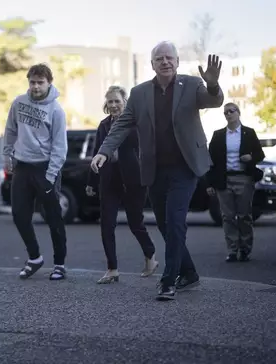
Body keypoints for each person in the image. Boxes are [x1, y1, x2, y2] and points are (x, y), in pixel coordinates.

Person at [90, 41, 224, 300]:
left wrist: (213, 84)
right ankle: (189, 273)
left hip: (185, 167)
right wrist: (104, 151)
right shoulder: (139, 94)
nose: (165, 62)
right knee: (164, 225)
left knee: (175, 221)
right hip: (154, 169)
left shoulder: (192, 85)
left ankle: (168, 281)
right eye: (159, 58)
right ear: (152, 64)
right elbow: (121, 126)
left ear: (177, 62)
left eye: (169, 58)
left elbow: (213, 101)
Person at [86, 85, 158, 284]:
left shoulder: (135, 124)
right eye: (110, 101)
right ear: (106, 105)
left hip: (134, 180)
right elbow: (96, 153)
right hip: (109, 180)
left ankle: (150, 256)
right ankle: (112, 269)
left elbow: (146, 150)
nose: (114, 105)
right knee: (106, 224)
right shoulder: (103, 125)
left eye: (117, 101)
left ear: (125, 102)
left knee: (136, 223)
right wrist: (91, 182)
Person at [2, 63, 68, 281]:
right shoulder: (19, 103)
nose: (36, 86)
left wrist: (50, 175)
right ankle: (34, 258)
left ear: (49, 83)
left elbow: (60, 146)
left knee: (53, 218)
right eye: (32, 82)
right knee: (19, 216)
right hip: (22, 166)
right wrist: (7, 155)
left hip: (45, 168)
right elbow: (10, 130)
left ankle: (59, 264)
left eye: (40, 82)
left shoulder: (56, 110)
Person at [205, 103, 264, 262]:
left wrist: (251, 158)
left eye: (231, 111)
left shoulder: (248, 133)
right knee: (227, 216)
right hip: (224, 180)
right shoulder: (218, 135)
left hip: (244, 178)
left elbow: (260, 154)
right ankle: (232, 249)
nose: (228, 114)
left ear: (238, 113)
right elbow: (210, 161)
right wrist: (209, 183)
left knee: (244, 215)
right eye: (225, 113)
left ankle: (245, 248)